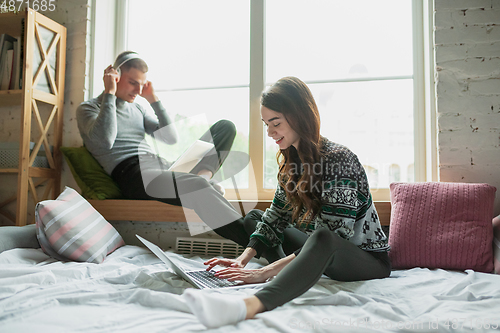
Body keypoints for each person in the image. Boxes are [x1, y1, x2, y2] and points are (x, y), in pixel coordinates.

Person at [182, 76, 391, 329]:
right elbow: (276, 216)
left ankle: (250, 305)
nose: (269, 132)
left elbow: (338, 237)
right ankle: (291, 271)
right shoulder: (290, 162)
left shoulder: (339, 159)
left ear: (299, 116)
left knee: (323, 237)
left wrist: (260, 274)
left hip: (363, 260)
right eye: (266, 124)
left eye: (275, 123)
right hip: (319, 249)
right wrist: (243, 259)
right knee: (255, 219)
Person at [76, 51, 251, 239]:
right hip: (134, 175)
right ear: (114, 77)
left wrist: (153, 100)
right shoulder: (88, 108)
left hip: (164, 168)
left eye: (142, 85)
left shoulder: (137, 108)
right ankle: (256, 243)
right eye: (133, 83)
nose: (138, 90)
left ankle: (203, 177)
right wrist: (109, 93)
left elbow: (170, 138)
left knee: (225, 127)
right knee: (197, 187)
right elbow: (105, 140)